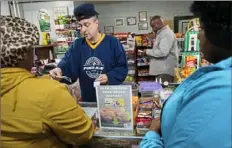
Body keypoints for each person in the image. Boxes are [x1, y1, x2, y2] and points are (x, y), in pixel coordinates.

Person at [140, 1, 231, 148]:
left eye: (201, 29)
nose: (199, 36)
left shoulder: (217, 89)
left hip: (164, 70)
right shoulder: (217, 78)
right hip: (159, 71)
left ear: (215, 34)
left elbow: (162, 52)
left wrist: (152, 135)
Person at [1, 16, 94, 148]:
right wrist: (71, 102)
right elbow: (84, 134)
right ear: (25, 53)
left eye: (86, 24)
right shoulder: (49, 92)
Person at [49, 3, 128, 102]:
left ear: (96, 23)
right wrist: (59, 70)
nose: (83, 30)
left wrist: (108, 77)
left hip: (111, 100)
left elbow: (122, 67)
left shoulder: (113, 43)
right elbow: (68, 63)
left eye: (87, 25)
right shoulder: (77, 45)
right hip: (88, 100)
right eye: (81, 26)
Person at [145, 15, 178, 83]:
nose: (152, 29)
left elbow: (163, 52)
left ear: (156, 24)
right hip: (162, 71)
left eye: (152, 26)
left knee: (164, 92)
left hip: (165, 72)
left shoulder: (166, 34)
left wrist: (147, 52)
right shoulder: (162, 33)